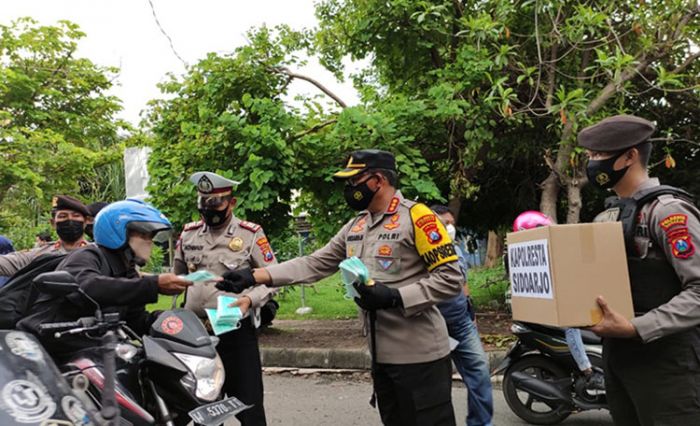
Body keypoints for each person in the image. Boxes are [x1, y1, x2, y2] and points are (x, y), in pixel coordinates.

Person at [218, 149, 463, 426]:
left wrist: (396, 297)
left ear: (378, 180)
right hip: (381, 356)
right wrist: (254, 276)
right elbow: (315, 263)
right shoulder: (357, 225)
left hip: (421, 357)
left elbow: (451, 278)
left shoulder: (418, 218)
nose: (350, 189)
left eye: (354, 181)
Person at [578, 114, 700, 425]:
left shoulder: (668, 212)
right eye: (590, 155)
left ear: (630, 156)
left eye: (599, 155)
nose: (591, 163)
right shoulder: (610, 215)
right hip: (619, 358)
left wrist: (637, 328)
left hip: (668, 365)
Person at [18, 199, 192, 358]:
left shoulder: (126, 268)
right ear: (119, 233)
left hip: (90, 351)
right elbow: (87, 286)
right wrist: (154, 285)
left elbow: (134, 320)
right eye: (144, 235)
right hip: (45, 350)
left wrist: (169, 322)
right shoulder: (88, 255)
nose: (150, 242)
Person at [175, 171, 277, 426]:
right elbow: (176, 276)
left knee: (249, 404)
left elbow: (271, 280)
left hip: (235, 331)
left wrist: (249, 301)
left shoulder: (250, 234)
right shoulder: (188, 234)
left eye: (215, 203)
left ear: (232, 203)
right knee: (203, 407)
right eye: (203, 203)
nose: (208, 210)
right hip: (196, 335)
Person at [512, 211, 605, 390]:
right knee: (573, 323)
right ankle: (588, 371)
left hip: (559, 303)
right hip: (552, 310)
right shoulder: (530, 257)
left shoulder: (547, 251)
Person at [430, 205, 493, 426]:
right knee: (435, 383)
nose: (448, 228)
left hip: (461, 322)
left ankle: (480, 423)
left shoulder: (456, 251)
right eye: (443, 222)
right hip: (431, 326)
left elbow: (463, 284)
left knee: (480, 371)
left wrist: (471, 312)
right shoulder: (420, 251)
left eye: (451, 223)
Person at [0, 195, 90, 277]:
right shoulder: (39, 255)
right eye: (63, 216)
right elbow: (7, 263)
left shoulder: (96, 253)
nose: (70, 220)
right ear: (53, 223)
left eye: (76, 216)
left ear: (85, 222)